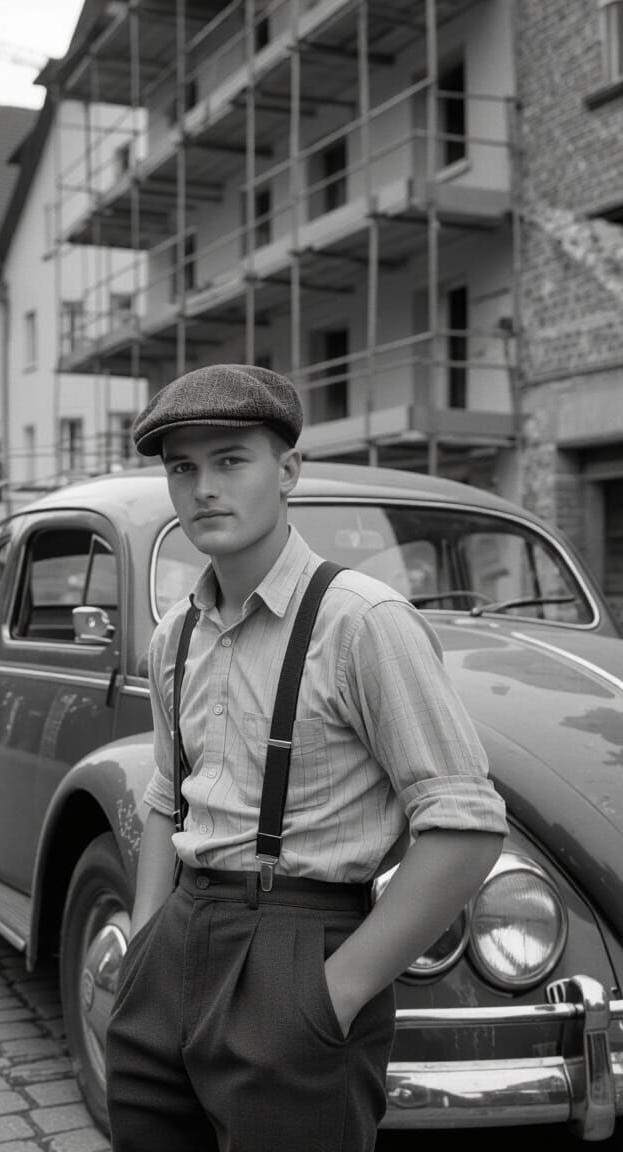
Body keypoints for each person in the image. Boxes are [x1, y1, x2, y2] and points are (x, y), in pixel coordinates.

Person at [105, 364, 508, 1152]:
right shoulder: (175, 634)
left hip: (297, 949)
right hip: (175, 947)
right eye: (182, 468)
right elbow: (166, 799)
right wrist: (147, 942)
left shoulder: (361, 621)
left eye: (231, 460)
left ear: (288, 471)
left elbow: (465, 827)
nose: (203, 488)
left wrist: (333, 996)